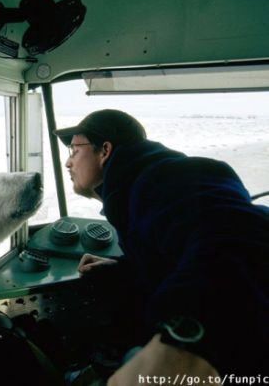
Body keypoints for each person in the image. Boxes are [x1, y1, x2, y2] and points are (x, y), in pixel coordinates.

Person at [53, 109, 268, 385]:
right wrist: (127, 270)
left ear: (104, 150)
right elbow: (177, 252)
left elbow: (240, 237)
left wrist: (184, 343)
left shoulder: (164, 176)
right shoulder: (134, 190)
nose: (68, 163)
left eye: (74, 150)